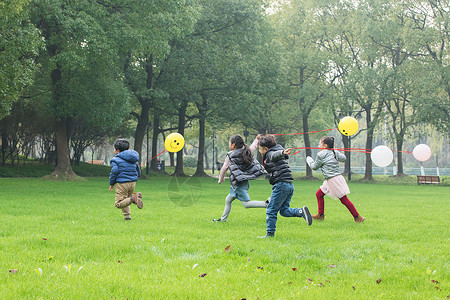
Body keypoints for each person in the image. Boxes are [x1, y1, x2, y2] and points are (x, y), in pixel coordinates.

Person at [258, 135, 312, 238]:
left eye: (259, 149)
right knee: (284, 211)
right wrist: (282, 152)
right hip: (289, 185)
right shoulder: (277, 150)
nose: (259, 151)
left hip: (281, 185)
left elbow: (274, 155)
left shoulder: (270, 153)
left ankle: (270, 234)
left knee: (271, 210)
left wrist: (282, 152)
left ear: (265, 148)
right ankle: (301, 211)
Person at [306, 136, 365, 223]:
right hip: (333, 179)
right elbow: (344, 158)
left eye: (320, 144)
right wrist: (336, 152)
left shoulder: (320, 154)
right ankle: (320, 215)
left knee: (344, 199)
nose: (318, 146)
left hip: (333, 180)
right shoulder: (334, 152)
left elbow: (314, 167)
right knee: (319, 194)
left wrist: (309, 160)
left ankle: (358, 217)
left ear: (325, 145)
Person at [213, 134, 268, 222]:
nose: (229, 144)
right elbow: (252, 148)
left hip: (238, 183)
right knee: (228, 200)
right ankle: (223, 219)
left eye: (229, 143)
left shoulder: (230, 155)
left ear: (233, 145)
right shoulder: (245, 151)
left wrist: (221, 179)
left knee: (246, 204)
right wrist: (257, 140)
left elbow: (224, 168)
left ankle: (266, 204)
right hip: (242, 181)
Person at [109, 139, 143, 220]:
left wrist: (112, 183)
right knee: (125, 199)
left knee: (118, 203)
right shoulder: (133, 159)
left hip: (122, 183)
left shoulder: (115, 160)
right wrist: (136, 176)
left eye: (114, 149)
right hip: (133, 183)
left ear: (117, 150)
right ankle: (127, 217)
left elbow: (114, 172)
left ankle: (134, 198)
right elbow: (138, 170)